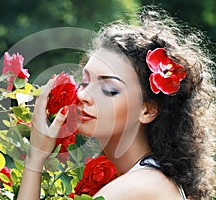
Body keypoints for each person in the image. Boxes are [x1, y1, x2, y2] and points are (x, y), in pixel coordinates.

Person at [16, 6, 216, 200]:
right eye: (85, 82)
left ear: (147, 110)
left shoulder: (139, 186)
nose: (83, 95)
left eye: (109, 89)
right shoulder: (151, 180)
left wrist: (35, 158)